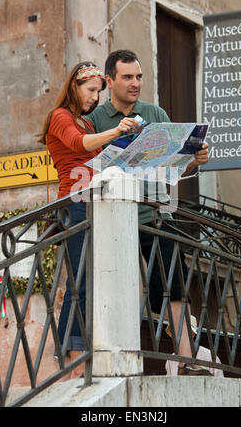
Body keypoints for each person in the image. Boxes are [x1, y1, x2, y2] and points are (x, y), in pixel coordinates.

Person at [86, 50, 209, 375]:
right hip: (111, 217)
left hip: (156, 214)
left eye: (139, 76)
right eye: (127, 77)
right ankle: (105, 364)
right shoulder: (95, 120)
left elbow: (172, 168)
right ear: (109, 80)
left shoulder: (155, 113)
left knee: (173, 283)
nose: (135, 83)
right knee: (106, 287)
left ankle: (186, 359)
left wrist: (192, 160)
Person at [38, 61, 139, 378]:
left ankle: (89, 354)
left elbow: (96, 156)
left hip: (96, 201)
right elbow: (78, 145)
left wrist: (128, 144)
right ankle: (73, 360)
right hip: (74, 203)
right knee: (78, 283)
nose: (96, 97)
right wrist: (116, 131)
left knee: (97, 281)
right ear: (74, 87)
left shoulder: (87, 124)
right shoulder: (61, 117)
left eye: (99, 92)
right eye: (91, 90)